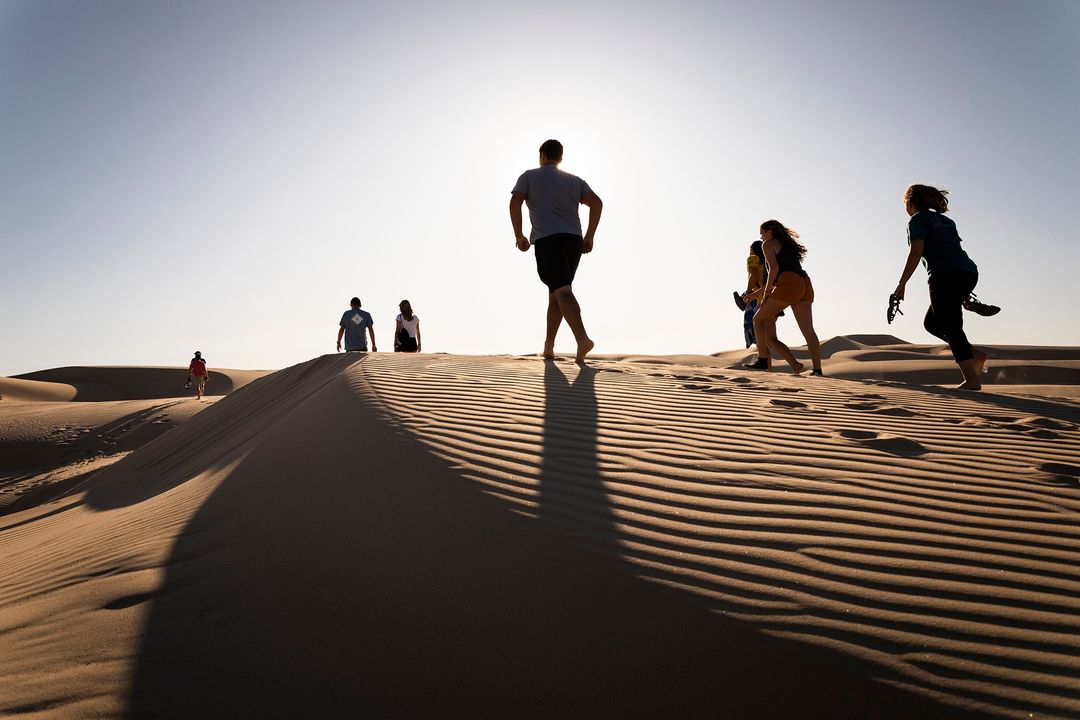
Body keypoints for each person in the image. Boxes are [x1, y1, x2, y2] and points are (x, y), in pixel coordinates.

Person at [510, 139, 603, 363]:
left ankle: (582, 339)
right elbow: (597, 203)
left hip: (548, 240)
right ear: (561, 157)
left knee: (562, 291)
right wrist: (589, 236)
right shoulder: (574, 181)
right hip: (573, 241)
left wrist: (519, 236)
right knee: (557, 292)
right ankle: (549, 346)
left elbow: (515, 203)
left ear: (541, 154)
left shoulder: (529, 176)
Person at [893, 184, 987, 390]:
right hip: (968, 272)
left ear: (910, 202)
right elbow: (953, 250)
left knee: (951, 326)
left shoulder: (916, 220)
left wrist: (902, 283)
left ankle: (971, 380)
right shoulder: (946, 221)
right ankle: (973, 354)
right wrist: (962, 291)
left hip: (944, 275)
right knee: (932, 323)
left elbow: (916, 252)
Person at [745, 220, 823, 376]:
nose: (760, 237)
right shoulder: (788, 245)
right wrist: (757, 293)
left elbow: (775, 269)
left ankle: (762, 360)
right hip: (805, 284)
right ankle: (817, 369)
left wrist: (766, 294)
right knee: (808, 330)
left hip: (788, 284)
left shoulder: (767, 245)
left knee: (758, 319)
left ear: (770, 231)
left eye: (762, 232)